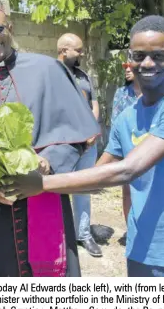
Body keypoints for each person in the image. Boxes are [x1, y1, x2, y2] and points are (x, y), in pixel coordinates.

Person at [8, 15, 164, 277]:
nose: (148, 63)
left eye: (159, 56)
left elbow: (128, 170)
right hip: (139, 250)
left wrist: (40, 185)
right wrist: (45, 169)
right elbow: (96, 181)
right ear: (129, 57)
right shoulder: (128, 117)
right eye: (139, 55)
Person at [0, 3, 99, 277]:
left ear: (10, 28)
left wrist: (47, 163)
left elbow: (75, 138)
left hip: (45, 194)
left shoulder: (47, 70)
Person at [57, 33, 101, 257]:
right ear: (64, 50)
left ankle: (83, 234)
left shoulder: (84, 76)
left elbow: (94, 104)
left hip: (88, 144)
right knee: (58, 191)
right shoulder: (52, 75)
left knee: (83, 190)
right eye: (79, 50)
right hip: (63, 146)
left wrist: (92, 129)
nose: (82, 54)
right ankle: (60, 235)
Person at [111, 63, 142, 228]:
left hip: (151, 149)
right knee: (128, 191)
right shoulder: (121, 94)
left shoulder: (153, 93)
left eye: (131, 67)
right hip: (128, 149)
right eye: (125, 67)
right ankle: (131, 230)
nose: (127, 70)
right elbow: (115, 122)